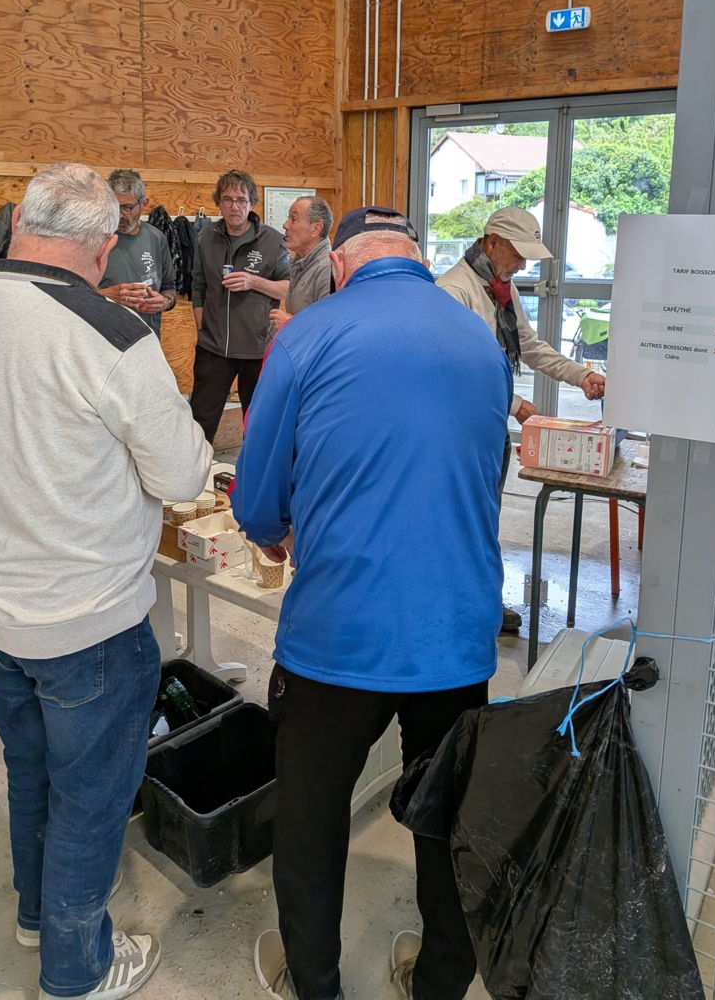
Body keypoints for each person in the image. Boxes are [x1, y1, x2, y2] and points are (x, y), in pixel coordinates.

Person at [0, 162, 211, 1000]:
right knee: (91, 796)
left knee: (31, 769)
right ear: (106, 243)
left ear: (19, 224)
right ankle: (76, 971)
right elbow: (183, 476)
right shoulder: (112, 336)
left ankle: (36, 914)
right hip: (85, 620)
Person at [232, 206, 512, 1000]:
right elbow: (485, 475)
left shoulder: (309, 334)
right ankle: (440, 981)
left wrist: (277, 530)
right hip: (455, 630)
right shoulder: (481, 342)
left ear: (341, 265)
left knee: (312, 817)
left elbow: (255, 499)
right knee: (446, 815)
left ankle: (315, 983)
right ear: (416, 257)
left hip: (340, 631)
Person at [438, 206, 605, 633]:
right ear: (492, 241)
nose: (523, 265)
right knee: (462, 522)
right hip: (458, 433)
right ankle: (462, 608)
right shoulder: (454, 291)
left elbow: (527, 346)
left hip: (487, 426)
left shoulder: (499, 288)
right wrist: (515, 404)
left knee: (484, 519)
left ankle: (481, 605)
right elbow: (459, 370)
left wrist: (580, 374)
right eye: (517, 254)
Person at [190, 170, 290, 444]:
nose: (234, 206)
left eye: (241, 200)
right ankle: (195, 472)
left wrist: (253, 281)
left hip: (257, 350)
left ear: (252, 203)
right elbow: (198, 287)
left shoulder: (273, 240)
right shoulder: (206, 237)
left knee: (258, 426)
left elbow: (288, 287)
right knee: (199, 424)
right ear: (219, 203)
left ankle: (252, 472)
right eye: (227, 199)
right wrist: (202, 329)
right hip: (213, 349)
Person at [98, 169, 177, 339]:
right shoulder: (95, 238)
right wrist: (105, 295)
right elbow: (73, 290)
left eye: (127, 207)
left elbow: (169, 287)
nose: (119, 215)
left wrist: (165, 302)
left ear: (144, 203)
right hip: (105, 339)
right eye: (114, 207)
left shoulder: (157, 238)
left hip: (148, 339)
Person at [269, 195, 333, 333]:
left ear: (315, 229)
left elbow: (329, 328)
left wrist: (289, 324)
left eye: (293, 219)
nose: (285, 225)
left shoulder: (327, 268)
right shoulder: (301, 262)